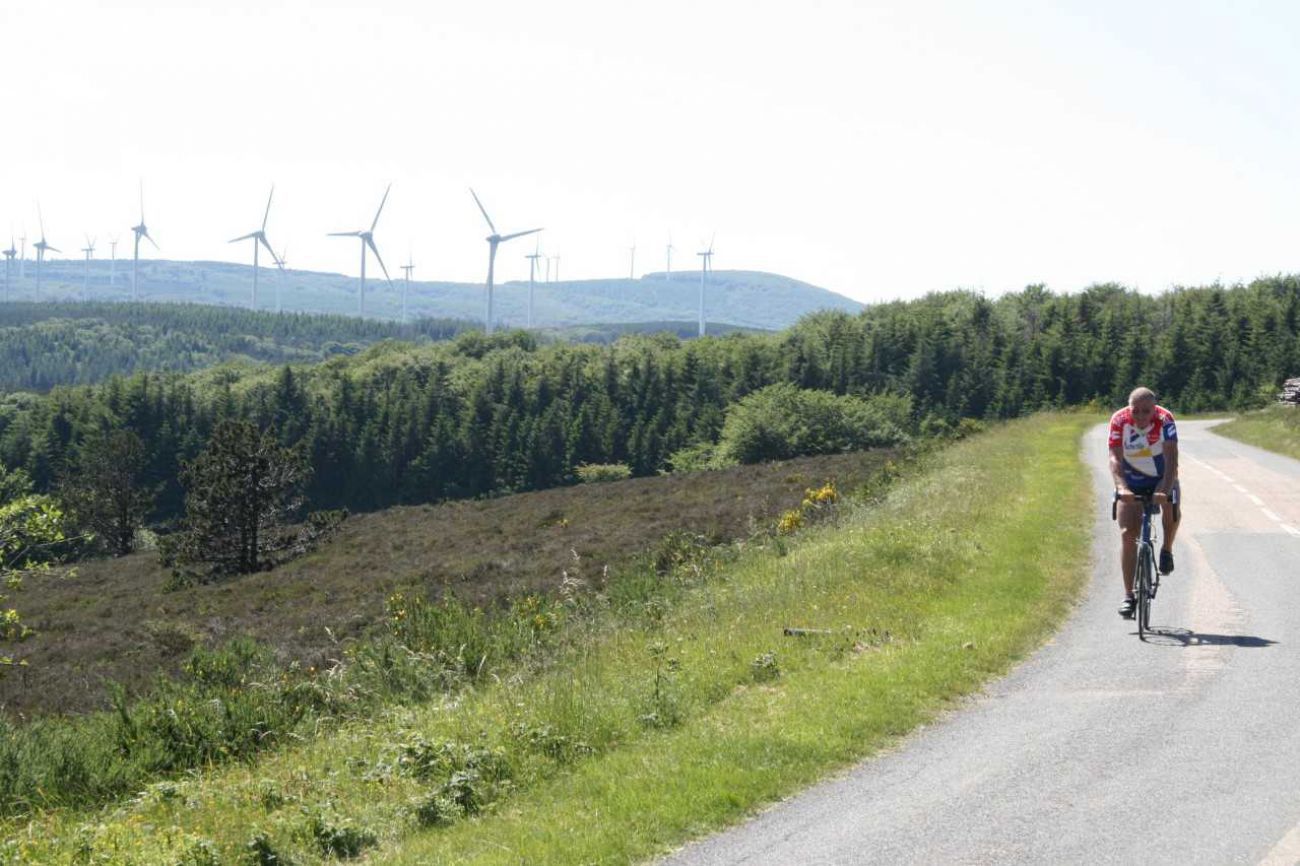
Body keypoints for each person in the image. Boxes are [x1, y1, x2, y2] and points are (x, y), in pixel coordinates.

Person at [1108, 386, 1180, 619]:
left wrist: (1165, 489)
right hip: (1132, 480)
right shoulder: (1119, 420)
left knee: (1172, 509)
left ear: (1154, 409)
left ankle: (1167, 549)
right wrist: (1121, 487)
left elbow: (1171, 458)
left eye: (1145, 411)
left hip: (1161, 476)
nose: (1140, 416)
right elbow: (1114, 458)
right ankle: (1129, 595)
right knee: (1128, 534)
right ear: (1129, 409)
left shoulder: (1165, 419)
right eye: (1135, 411)